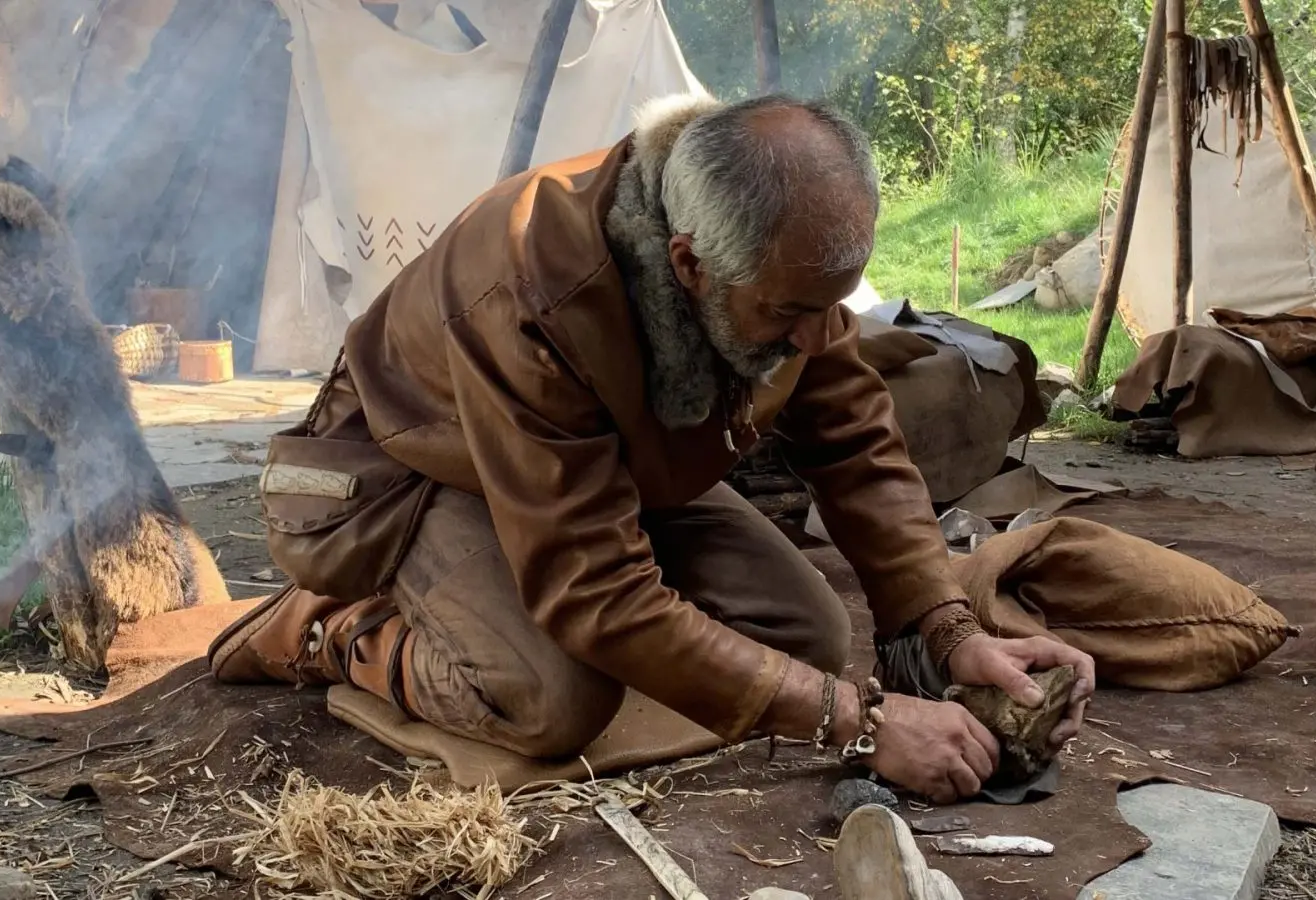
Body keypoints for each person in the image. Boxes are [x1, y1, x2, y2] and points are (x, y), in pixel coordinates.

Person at [211, 91, 1095, 803]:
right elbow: (594, 587)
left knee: (809, 639)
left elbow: (858, 448)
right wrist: (857, 726)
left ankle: (522, 630)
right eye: (791, 313)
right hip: (414, 472)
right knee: (553, 702)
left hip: (588, 472)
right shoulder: (527, 285)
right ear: (687, 265)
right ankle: (331, 627)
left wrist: (948, 634)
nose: (827, 335)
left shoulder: (773, 250)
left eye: (840, 301)